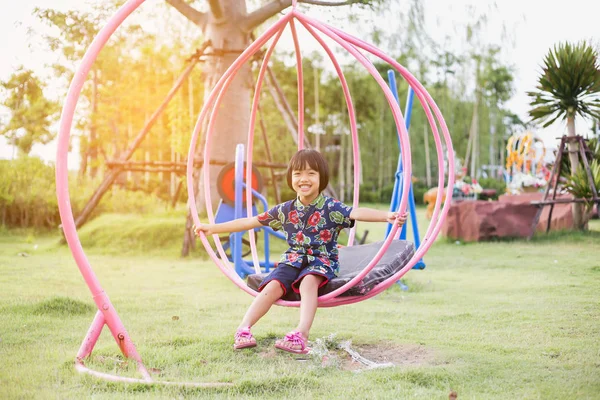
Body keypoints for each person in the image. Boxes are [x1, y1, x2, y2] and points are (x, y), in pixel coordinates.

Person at [194, 149, 407, 354]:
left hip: (322, 260)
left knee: (308, 282)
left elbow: (355, 211)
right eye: (298, 174)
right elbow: (250, 221)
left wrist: (386, 215)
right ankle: (243, 328)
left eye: (311, 173)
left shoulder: (331, 207)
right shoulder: (285, 210)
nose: (303, 179)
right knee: (272, 285)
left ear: (321, 179)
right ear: (291, 178)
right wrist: (212, 228)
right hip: (293, 259)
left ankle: (301, 335)